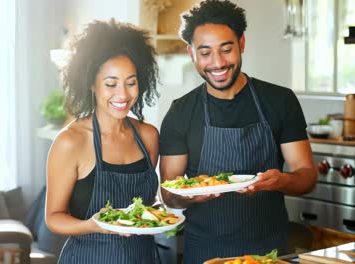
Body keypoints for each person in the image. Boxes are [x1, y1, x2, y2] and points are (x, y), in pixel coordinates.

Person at [159, 0, 318, 263]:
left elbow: (307, 176)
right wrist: (194, 195)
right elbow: (169, 194)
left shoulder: (280, 101)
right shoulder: (180, 113)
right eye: (205, 52)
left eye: (226, 49)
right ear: (191, 53)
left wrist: (281, 181)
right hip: (205, 252)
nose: (217, 62)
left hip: (270, 251)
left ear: (241, 43)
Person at [45, 19, 161, 264]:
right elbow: (54, 217)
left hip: (143, 257)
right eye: (111, 84)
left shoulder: (148, 136)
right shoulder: (71, 142)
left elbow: (143, 208)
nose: (123, 94)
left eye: (131, 83)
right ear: (91, 83)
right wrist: (92, 225)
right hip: (89, 257)